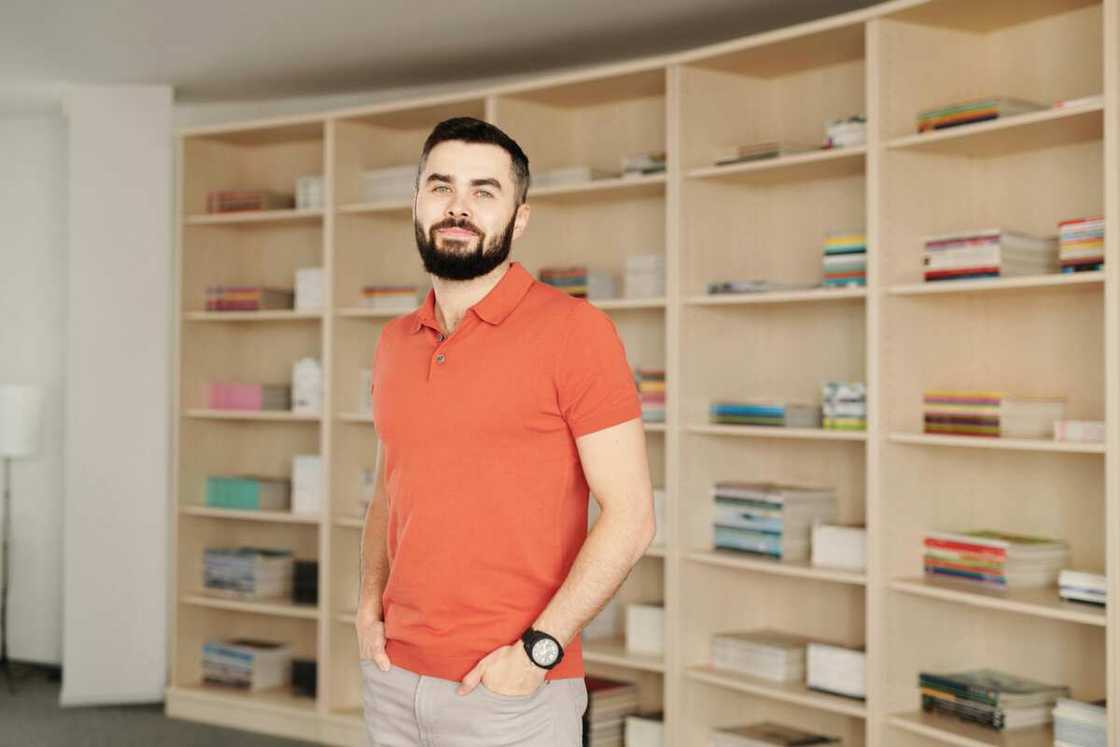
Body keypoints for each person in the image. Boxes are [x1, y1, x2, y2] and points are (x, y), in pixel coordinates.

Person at [355, 116, 657, 746]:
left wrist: (537, 653)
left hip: (510, 692)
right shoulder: (393, 342)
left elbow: (631, 517)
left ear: (518, 218)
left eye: (483, 192)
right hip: (392, 678)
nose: (458, 207)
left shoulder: (576, 331)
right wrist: (368, 607)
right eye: (440, 187)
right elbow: (390, 489)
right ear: (417, 202)